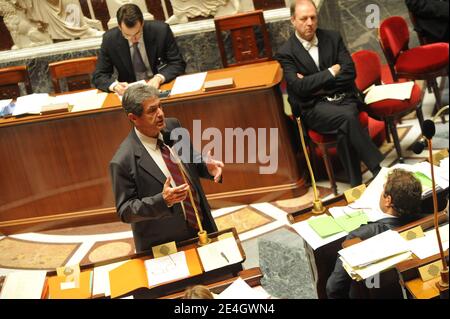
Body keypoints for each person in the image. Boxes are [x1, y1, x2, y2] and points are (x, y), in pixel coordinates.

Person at [274, 0, 383, 187]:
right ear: (293, 20)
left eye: (313, 17)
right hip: (314, 108)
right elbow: (298, 88)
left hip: (344, 98)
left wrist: (313, 83)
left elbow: (350, 72)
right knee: (348, 118)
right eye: (303, 19)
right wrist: (331, 72)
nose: (309, 23)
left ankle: (355, 183)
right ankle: (378, 170)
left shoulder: (333, 38)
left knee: (344, 126)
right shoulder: (286, 53)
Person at [109, 84, 223, 252]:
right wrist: (162, 201)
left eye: (160, 106)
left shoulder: (173, 126)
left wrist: (207, 167)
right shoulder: (123, 161)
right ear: (133, 118)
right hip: (166, 243)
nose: (161, 114)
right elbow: (126, 211)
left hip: (201, 224)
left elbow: (190, 159)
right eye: (152, 110)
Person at [326, 168, 423, 299]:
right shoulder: (428, 221)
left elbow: (334, 288)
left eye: (383, 190)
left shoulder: (359, 237)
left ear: (388, 200)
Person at [93, 3, 186, 95]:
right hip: (130, 92)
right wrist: (114, 86)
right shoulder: (110, 39)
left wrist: (159, 78)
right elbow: (99, 75)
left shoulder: (161, 30)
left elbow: (177, 63)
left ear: (142, 24)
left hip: (160, 86)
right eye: (127, 35)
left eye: (137, 33)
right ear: (120, 28)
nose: (133, 39)